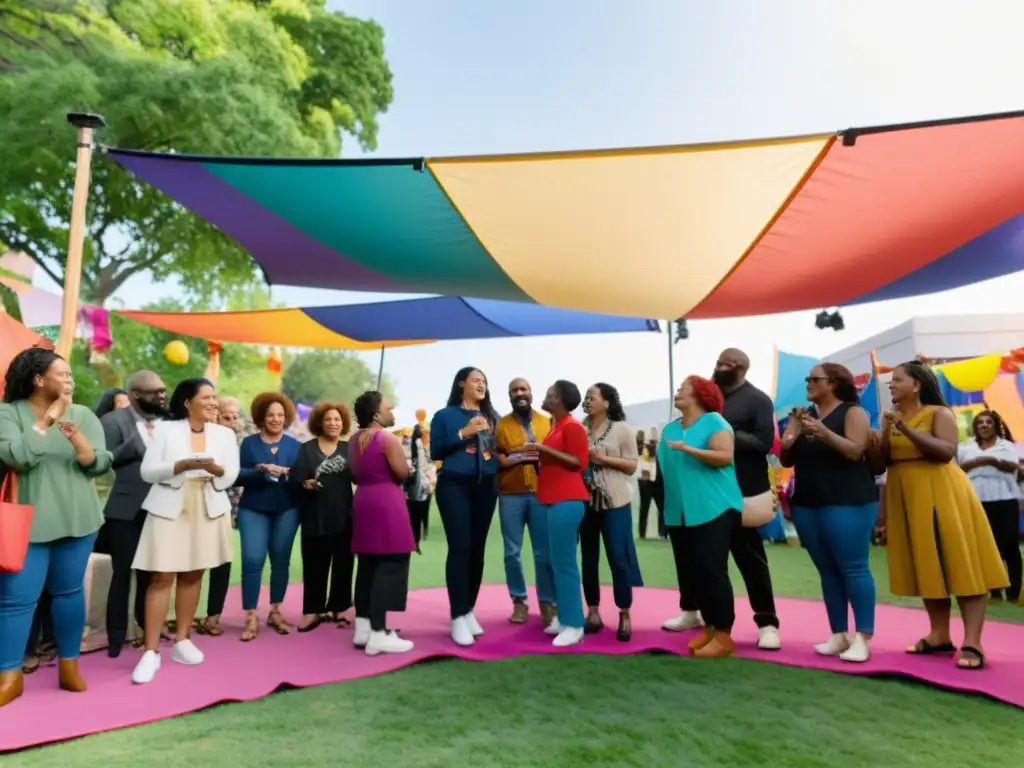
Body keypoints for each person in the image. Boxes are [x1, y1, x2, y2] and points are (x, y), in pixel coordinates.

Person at [870, 361, 1008, 670]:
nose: (891, 385)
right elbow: (882, 464)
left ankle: (973, 641)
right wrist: (877, 440)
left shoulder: (939, 414)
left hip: (943, 493)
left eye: (897, 380)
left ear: (916, 385)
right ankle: (939, 634)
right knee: (927, 565)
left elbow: (946, 451)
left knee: (961, 563)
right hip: (906, 495)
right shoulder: (889, 417)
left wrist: (904, 429)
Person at [0, 348, 112, 707]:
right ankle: (9, 674)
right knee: (16, 600)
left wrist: (79, 442)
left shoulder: (83, 414)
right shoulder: (7, 414)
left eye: (68, 375)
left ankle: (69, 665)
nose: (69, 380)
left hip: (78, 519)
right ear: (38, 379)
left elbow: (100, 464)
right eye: (61, 374)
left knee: (68, 593)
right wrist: (46, 421)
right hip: (26, 525)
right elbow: (17, 456)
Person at [664, 348, 781, 650]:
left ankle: (766, 622)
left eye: (727, 364)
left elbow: (764, 442)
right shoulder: (703, 404)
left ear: (742, 368)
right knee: (698, 561)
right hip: (697, 494)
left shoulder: (756, 400)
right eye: (718, 362)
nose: (720, 367)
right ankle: (694, 612)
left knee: (749, 558)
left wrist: (721, 433)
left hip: (742, 490)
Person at [130, 378, 239, 685]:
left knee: (193, 574)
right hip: (169, 503)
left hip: (208, 504)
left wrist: (218, 471)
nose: (214, 403)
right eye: (207, 397)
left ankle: (182, 641)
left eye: (215, 397)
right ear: (188, 402)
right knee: (161, 576)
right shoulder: (164, 430)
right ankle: (150, 651)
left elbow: (230, 473)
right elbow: (147, 471)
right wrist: (179, 465)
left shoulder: (224, 435)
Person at [780, 363, 877, 663]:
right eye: (807, 378)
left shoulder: (852, 413)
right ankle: (838, 633)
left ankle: (862, 637)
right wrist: (794, 429)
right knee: (827, 570)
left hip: (848, 500)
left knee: (853, 567)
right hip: (808, 502)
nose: (809, 383)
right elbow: (785, 457)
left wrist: (822, 432)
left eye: (815, 379)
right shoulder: (804, 416)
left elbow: (854, 451)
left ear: (834, 383)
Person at [658, 376, 743, 659]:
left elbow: (724, 456)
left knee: (712, 571)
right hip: (680, 513)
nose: (678, 391)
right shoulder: (669, 429)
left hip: (714, 508)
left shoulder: (714, 422)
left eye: (684, 387)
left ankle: (723, 635)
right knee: (693, 573)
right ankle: (709, 629)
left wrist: (689, 449)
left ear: (701, 394)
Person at [97, 370, 167, 658]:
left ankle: (147, 629)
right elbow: (102, 462)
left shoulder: (169, 422)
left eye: (163, 391)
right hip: (124, 511)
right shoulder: (112, 421)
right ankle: (116, 638)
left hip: (162, 508)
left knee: (154, 575)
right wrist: (135, 445)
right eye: (155, 392)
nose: (162, 396)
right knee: (122, 575)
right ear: (136, 394)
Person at [430, 367, 500, 647]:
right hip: (454, 486)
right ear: (462, 384)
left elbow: (499, 451)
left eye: (484, 381)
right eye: (476, 380)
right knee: (460, 547)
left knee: (477, 550)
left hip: (486, 486)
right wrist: (464, 432)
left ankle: (469, 609)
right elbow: (436, 451)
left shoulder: (493, 418)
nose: (481, 384)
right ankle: (457, 615)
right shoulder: (444, 416)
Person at [348, 391, 416, 656]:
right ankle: (379, 633)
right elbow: (401, 473)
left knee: (367, 566)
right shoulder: (387, 439)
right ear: (376, 414)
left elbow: (354, 474)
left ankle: (363, 628)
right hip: (387, 502)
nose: (393, 412)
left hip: (363, 501)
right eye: (388, 408)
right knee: (391, 564)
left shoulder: (353, 441)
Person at [524, 379, 590, 647]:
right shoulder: (557, 427)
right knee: (555, 561)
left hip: (568, 500)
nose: (546, 397)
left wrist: (542, 449)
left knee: (564, 564)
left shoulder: (572, 427)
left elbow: (579, 462)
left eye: (550, 395)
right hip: (553, 500)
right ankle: (566, 618)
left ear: (560, 400)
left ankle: (574, 625)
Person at [236, 392, 302, 641]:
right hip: (253, 508)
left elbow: (300, 477)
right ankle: (251, 615)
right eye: (270, 415)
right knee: (252, 560)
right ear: (262, 417)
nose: (275, 419)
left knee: (281, 560)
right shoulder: (249, 444)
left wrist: (287, 471)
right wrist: (259, 471)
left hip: (287, 508)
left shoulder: (295, 446)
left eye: (280, 415)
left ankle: (276, 611)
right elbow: (238, 475)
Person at [580, 383, 643, 641]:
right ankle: (593, 612)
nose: (587, 401)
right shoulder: (578, 429)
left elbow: (631, 466)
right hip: (585, 502)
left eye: (592, 397)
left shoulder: (622, 430)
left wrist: (602, 459)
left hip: (616, 503)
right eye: (586, 397)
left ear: (607, 403)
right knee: (588, 558)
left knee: (618, 557)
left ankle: (624, 612)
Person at [494, 377, 555, 625]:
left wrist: (535, 453)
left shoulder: (547, 421)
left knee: (543, 553)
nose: (519, 393)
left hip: (542, 492)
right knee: (512, 552)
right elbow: (493, 453)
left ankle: (547, 603)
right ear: (509, 395)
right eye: (514, 390)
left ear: (531, 392)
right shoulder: (501, 425)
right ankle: (519, 601)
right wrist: (509, 459)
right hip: (511, 493)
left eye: (523, 389)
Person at [292, 401, 355, 631]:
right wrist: (306, 483)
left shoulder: (349, 449)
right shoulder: (306, 448)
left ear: (343, 423)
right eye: (328, 419)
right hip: (314, 514)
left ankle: (338, 608)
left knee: (344, 563)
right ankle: (312, 611)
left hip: (344, 514)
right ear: (320, 422)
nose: (333, 423)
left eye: (337, 419)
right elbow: (297, 477)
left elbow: (358, 477)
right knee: (314, 564)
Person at [957, 410, 1021, 602]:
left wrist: (987, 460)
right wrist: (990, 463)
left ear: (995, 426)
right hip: (977, 500)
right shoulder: (965, 447)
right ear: (975, 427)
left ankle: (1014, 589)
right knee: (983, 545)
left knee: (1009, 545)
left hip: (1004, 499)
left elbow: (1011, 467)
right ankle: (993, 589)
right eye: (980, 423)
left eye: (988, 422)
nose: (984, 425)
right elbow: (961, 468)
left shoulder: (1007, 446)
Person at [195, 395, 245, 636]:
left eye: (236, 417)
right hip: (195, 507)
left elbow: (237, 483)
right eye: (227, 416)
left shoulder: (239, 442)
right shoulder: (201, 437)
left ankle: (213, 616)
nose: (232, 421)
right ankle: (184, 615)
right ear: (215, 415)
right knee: (191, 563)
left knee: (222, 562)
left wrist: (234, 512)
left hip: (224, 509)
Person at [405, 424, 435, 550]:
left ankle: (417, 535)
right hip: (420, 480)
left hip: (419, 480)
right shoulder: (419, 443)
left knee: (416, 511)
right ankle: (421, 532)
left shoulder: (416, 443)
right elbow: (420, 463)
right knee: (421, 509)